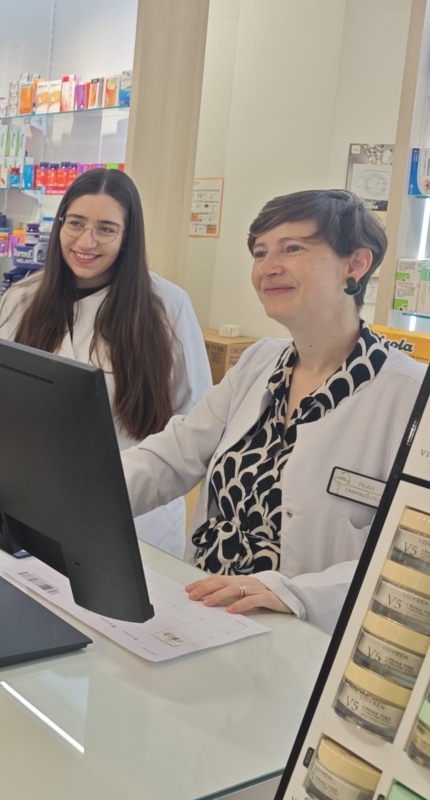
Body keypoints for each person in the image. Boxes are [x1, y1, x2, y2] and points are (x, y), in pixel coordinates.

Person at [124, 189, 425, 632]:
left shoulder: (412, 396)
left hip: (302, 637)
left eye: (293, 248)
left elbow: (414, 556)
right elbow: (173, 455)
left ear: (356, 264)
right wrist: (81, 490)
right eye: (260, 252)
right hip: (201, 614)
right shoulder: (260, 361)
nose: (268, 267)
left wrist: (296, 593)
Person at [0, 168, 211, 557]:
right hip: (33, 507)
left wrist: (125, 486)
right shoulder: (23, 298)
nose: (86, 241)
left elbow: (195, 422)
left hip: (134, 517)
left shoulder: (166, 306)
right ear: (60, 224)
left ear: (128, 237)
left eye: (106, 229)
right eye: (76, 223)